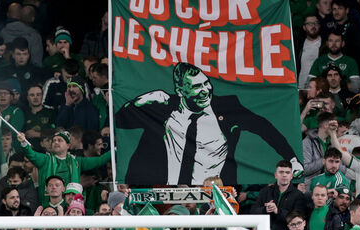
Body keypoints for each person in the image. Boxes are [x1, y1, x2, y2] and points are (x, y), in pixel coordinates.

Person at [115, 63, 299, 185]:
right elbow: (121, 122)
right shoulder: (164, 107)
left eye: (206, 83)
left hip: (212, 194)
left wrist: (292, 159)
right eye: (196, 87)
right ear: (180, 91)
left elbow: (264, 128)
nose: (205, 90)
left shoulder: (227, 107)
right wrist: (142, 100)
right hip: (170, 192)